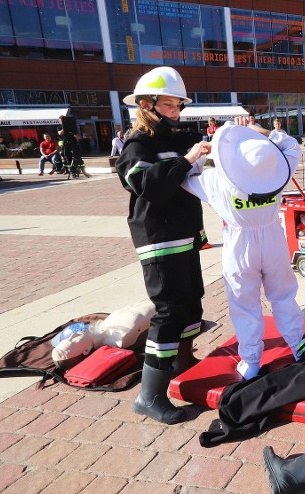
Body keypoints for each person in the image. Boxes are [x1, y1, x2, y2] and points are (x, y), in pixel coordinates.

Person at [116, 66, 212, 424]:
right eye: (170, 105)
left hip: (183, 235)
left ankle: (184, 361)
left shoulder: (171, 139)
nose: (177, 112)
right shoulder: (137, 143)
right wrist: (187, 160)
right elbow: (148, 185)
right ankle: (149, 395)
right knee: (170, 310)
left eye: (179, 106)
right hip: (159, 239)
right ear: (147, 104)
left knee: (191, 301)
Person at [183, 117, 304, 380]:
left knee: (244, 303)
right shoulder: (276, 169)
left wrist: (200, 154)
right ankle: (298, 346)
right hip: (273, 236)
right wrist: (261, 132)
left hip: (239, 244)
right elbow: (292, 147)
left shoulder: (217, 180)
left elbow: (186, 178)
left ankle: (250, 362)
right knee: (283, 295)